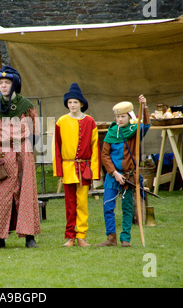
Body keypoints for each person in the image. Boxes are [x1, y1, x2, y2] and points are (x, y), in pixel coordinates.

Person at [0, 65, 41, 248]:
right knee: (0, 194)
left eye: (7, 82)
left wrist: (25, 148)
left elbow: (35, 130)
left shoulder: (26, 106)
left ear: (14, 84)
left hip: (23, 152)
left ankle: (30, 237)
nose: (3, 86)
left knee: (26, 193)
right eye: (1, 83)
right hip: (2, 154)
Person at [96, 95, 150, 247]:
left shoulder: (135, 131)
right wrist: (114, 173)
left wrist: (144, 106)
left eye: (122, 116)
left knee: (127, 208)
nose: (119, 119)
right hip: (113, 176)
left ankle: (125, 238)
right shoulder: (111, 132)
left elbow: (146, 124)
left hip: (128, 177)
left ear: (129, 116)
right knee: (107, 205)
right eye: (117, 116)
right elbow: (105, 155)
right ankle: (111, 238)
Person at [53, 83, 100, 247]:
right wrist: (58, 170)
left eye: (75, 102)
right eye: (70, 102)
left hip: (84, 169)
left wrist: (94, 172)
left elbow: (95, 148)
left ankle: (81, 236)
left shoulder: (90, 121)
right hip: (68, 168)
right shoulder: (61, 121)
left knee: (83, 204)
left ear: (81, 104)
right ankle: (70, 237)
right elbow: (57, 147)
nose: (72, 105)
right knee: (70, 205)